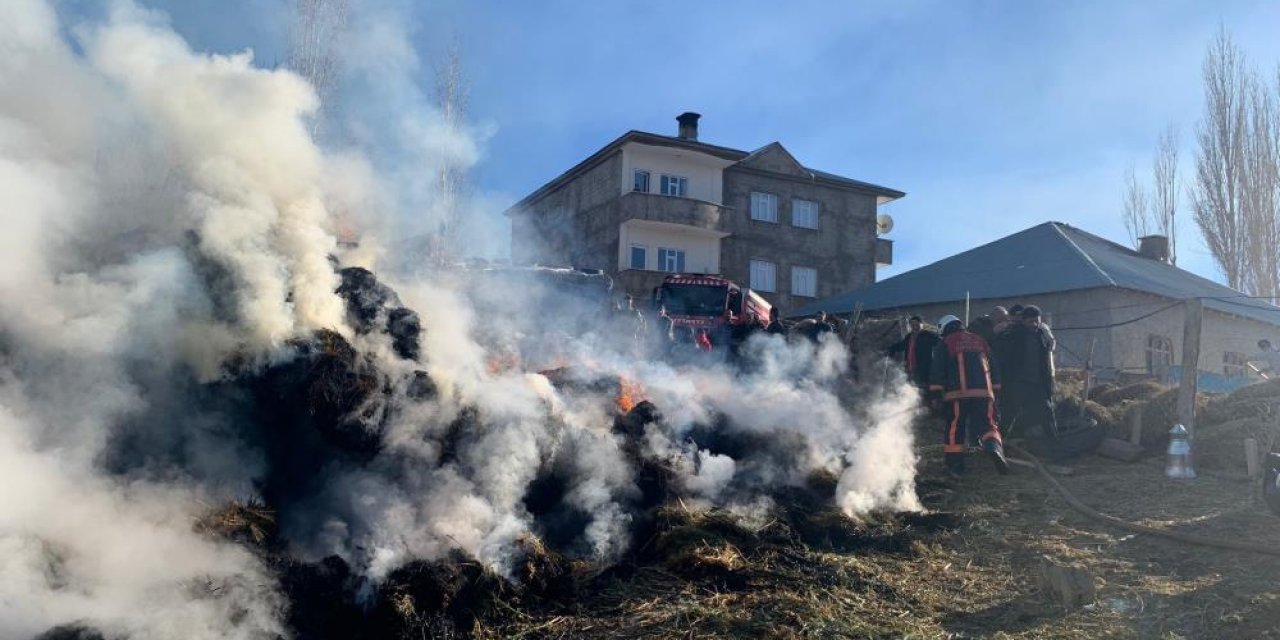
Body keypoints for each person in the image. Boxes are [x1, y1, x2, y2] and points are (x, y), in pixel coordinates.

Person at [928, 315, 1009, 476]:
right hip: (984, 393)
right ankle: (994, 448)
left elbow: (937, 370)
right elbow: (994, 366)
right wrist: (996, 390)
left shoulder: (945, 343)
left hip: (957, 395)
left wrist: (936, 394)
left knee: (955, 429)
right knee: (988, 424)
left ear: (944, 329)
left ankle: (954, 467)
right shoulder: (980, 341)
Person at [994, 305, 1056, 439]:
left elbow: (1046, 360)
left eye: (1037, 321)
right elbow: (1002, 358)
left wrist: (1048, 385)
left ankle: (1055, 444)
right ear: (1023, 321)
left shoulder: (1042, 336)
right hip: (1017, 384)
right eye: (1030, 321)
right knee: (1008, 416)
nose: (1034, 324)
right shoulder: (1012, 335)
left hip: (1037, 384)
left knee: (1047, 413)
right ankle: (999, 444)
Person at [888, 315, 941, 390]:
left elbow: (939, 341)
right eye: (912, 325)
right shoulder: (909, 337)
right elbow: (901, 345)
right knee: (911, 389)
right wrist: (891, 349)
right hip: (910, 369)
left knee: (923, 389)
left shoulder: (927, 335)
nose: (914, 326)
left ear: (921, 324)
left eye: (916, 324)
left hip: (923, 369)